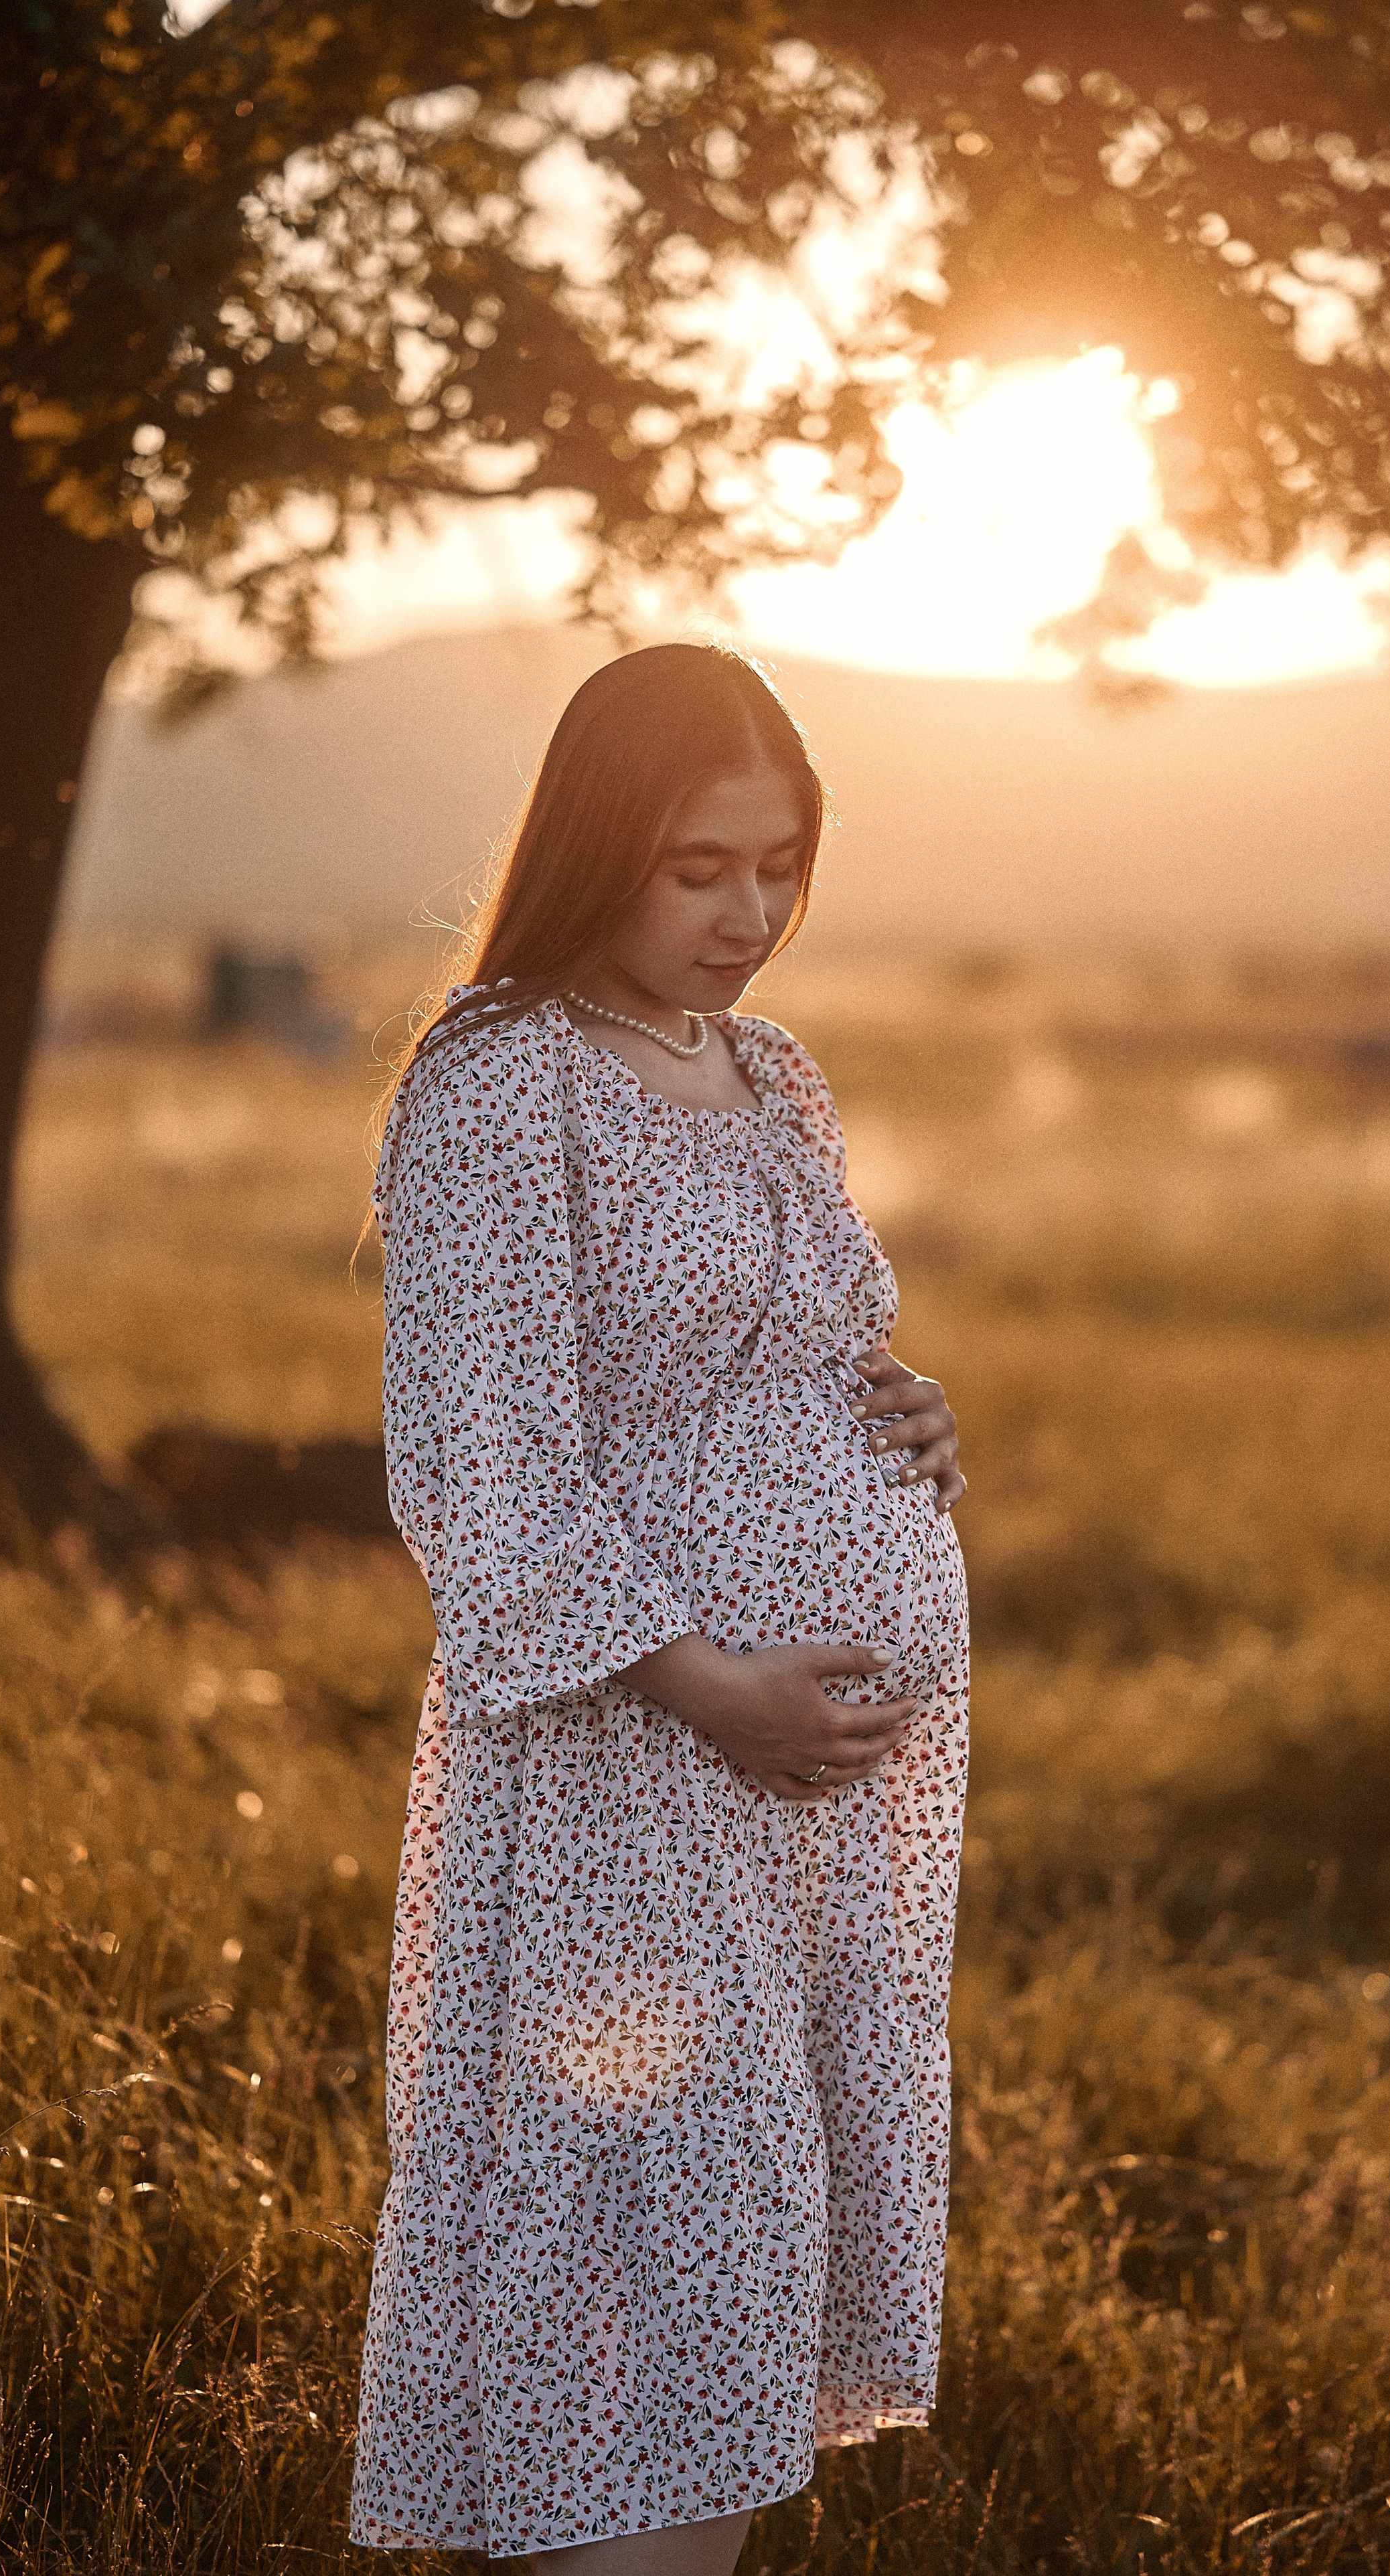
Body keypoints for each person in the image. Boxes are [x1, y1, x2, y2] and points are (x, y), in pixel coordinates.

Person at [348, 643, 970, 2573]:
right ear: (600, 843)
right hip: (635, 1777)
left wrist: (903, 1416)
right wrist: (716, 1691)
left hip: (818, 1811)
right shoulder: (500, 1083)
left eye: (781, 864)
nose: (750, 915)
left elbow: (772, 1356)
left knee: (748, 2235)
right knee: (632, 2228)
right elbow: (492, 1457)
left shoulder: (771, 1071)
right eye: (701, 866)